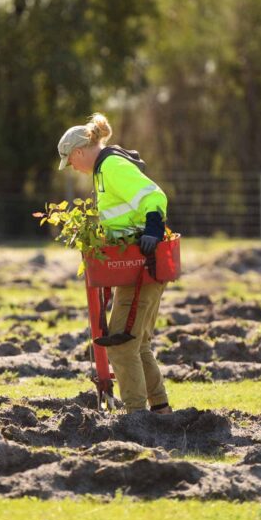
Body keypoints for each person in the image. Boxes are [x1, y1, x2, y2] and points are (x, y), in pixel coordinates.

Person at [57, 113, 173, 414]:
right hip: (137, 267)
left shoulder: (111, 166)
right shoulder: (103, 170)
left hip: (142, 266)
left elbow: (154, 196)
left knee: (122, 345)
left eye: (70, 161)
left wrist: (152, 229)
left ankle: (136, 417)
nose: (72, 167)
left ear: (79, 151)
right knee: (138, 343)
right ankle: (160, 411)